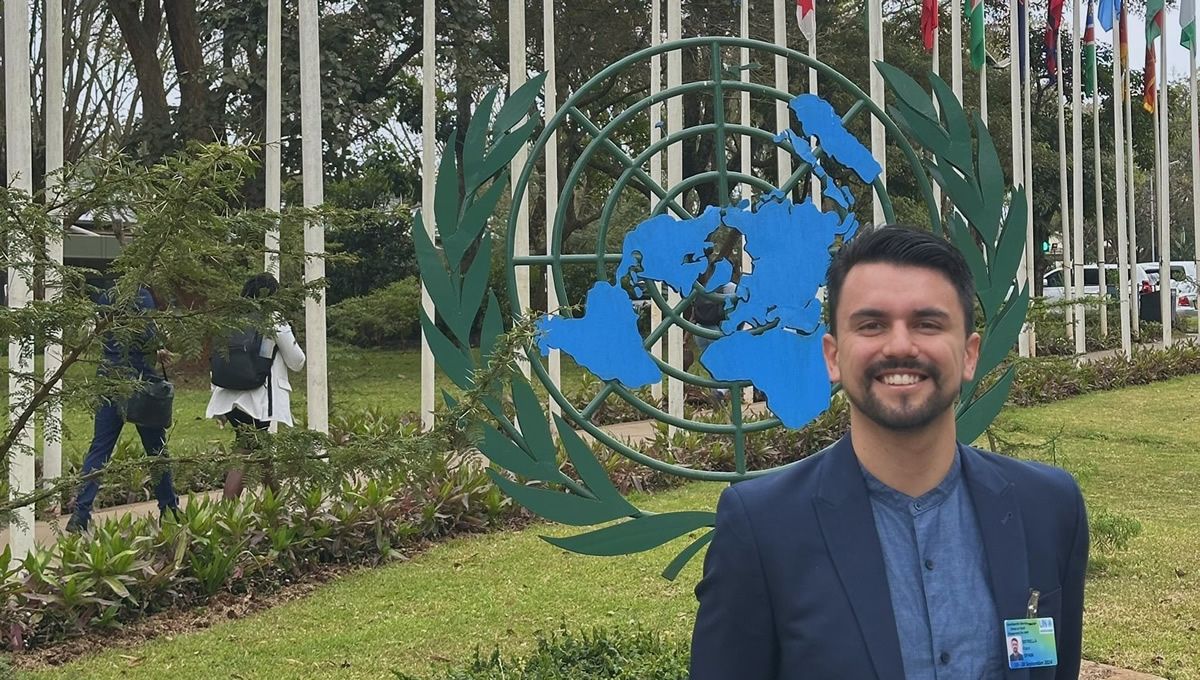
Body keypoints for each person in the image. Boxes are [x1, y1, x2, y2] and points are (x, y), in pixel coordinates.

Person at [690, 226, 1088, 679]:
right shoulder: (762, 529)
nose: (900, 346)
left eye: (928, 323)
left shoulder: (1048, 508)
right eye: (872, 325)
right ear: (834, 356)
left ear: (970, 354)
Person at [67, 285, 179, 533]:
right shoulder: (143, 296)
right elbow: (148, 335)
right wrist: (159, 348)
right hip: (139, 383)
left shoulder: (108, 293)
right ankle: (169, 509)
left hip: (107, 378)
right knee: (156, 450)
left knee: (100, 449)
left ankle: (80, 514)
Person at [205, 273, 305, 500]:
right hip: (256, 398)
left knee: (261, 450)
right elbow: (297, 362)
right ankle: (226, 513)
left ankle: (277, 506)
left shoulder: (231, 318)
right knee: (245, 450)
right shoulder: (273, 318)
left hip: (228, 395)